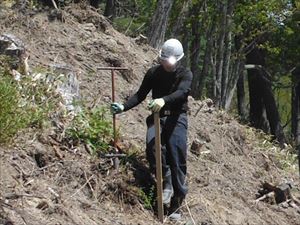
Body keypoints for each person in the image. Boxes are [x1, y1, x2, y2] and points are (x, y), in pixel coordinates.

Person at [111, 38, 193, 220]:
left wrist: (164, 100)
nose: (167, 64)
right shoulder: (153, 73)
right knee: (153, 147)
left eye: (170, 61)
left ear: (178, 59)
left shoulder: (185, 74)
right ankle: (167, 180)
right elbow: (140, 94)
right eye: (164, 60)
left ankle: (176, 205)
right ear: (160, 58)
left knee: (176, 156)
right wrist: (124, 107)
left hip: (177, 117)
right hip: (157, 118)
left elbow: (182, 92)